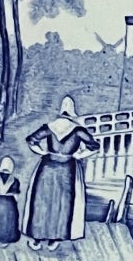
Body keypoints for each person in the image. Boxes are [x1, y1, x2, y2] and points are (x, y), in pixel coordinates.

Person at [24, 96, 98, 246]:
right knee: (62, 202)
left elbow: (31, 140)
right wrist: (78, 155)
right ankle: (54, 238)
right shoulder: (78, 130)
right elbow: (94, 146)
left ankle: (37, 237)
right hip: (67, 168)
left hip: (47, 166)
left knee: (42, 200)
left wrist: (42, 152)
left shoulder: (49, 127)